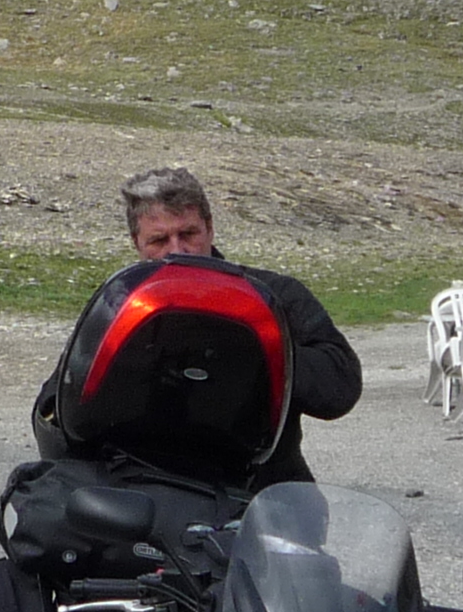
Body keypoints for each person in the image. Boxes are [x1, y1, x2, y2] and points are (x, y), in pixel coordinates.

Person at [31, 166, 361, 488]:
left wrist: (256, 348)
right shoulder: (119, 305)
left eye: (188, 234)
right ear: (137, 242)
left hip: (258, 490)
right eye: (159, 239)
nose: (177, 249)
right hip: (143, 490)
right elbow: (55, 410)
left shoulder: (272, 296)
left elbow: (340, 386)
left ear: (209, 228)